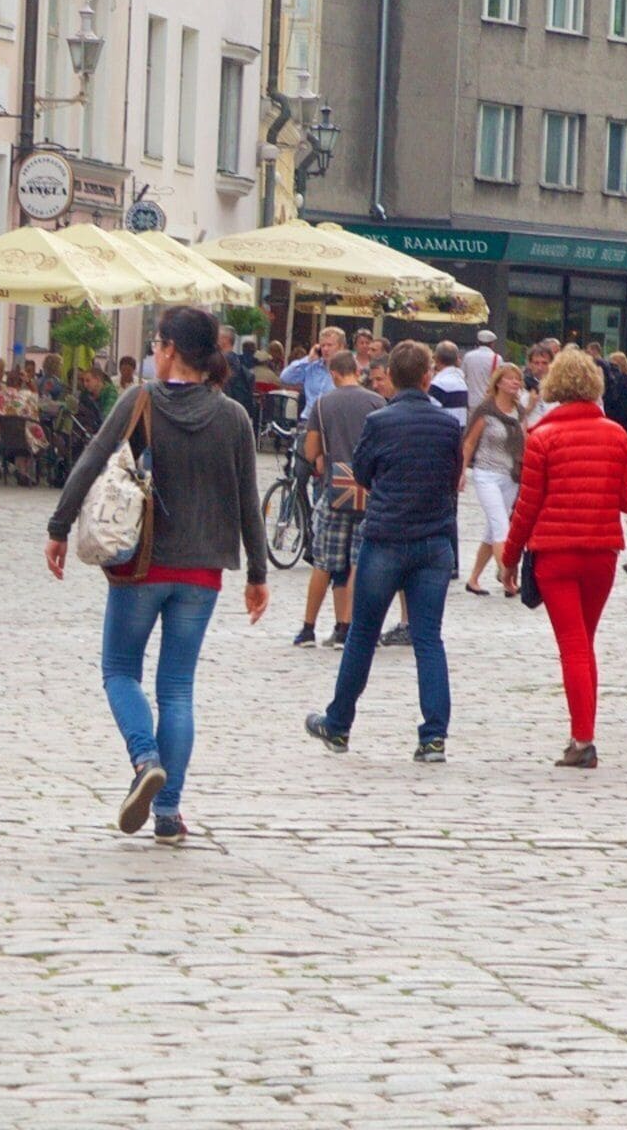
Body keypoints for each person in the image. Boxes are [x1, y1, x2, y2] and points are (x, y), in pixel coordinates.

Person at [46, 304, 267, 843]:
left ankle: (145, 760)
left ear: (169, 349)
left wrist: (58, 526)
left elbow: (91, 463)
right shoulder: (233, 416)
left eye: (156, 345)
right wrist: (258, 573)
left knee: (119, 671)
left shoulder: (138, 400)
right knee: (178, 689)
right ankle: (168, 814)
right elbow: (248, 500)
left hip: (140, 566)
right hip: (203, 573)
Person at [308, 340, 463, 762]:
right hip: (433, 542)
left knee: (362, 634)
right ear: (428, 376)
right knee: (428, 638)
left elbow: (362, 472)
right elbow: (454, 477)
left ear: (390, 378)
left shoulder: (380, 421)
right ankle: (433, 737)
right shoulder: (449, 426)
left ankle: (338, 725)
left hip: (386, 538)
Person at [497, 350, 627, 769]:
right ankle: (583, 734)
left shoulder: (541, 436)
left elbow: (527, 505)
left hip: (555, 553)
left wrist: (508, 558)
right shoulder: (616, 436)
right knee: (585, 645)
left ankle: (583, 739)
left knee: (572, 647)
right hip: (602, 554)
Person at [292, 348, 381, 648]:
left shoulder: (323, 403)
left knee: (325, 562)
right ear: (357, 370)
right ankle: (347, 627)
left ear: (333, 373)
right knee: (358, 562)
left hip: (335, 489)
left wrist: (321, 459)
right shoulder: (377, 402)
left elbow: (311, 451)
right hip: (369, 489)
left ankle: (307, 629)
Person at [458, 363, 528, 595]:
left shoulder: (519, 411)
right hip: (486, 473)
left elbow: (525, 443)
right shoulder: (486, 410)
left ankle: (474, 578)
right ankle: (507, 575)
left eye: (518, 379)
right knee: (501, 526)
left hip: (510, 476)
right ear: (498, 382)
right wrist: (461, 473)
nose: (515, 383)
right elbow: (469, 443)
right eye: (510, 379)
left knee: (492, 529)